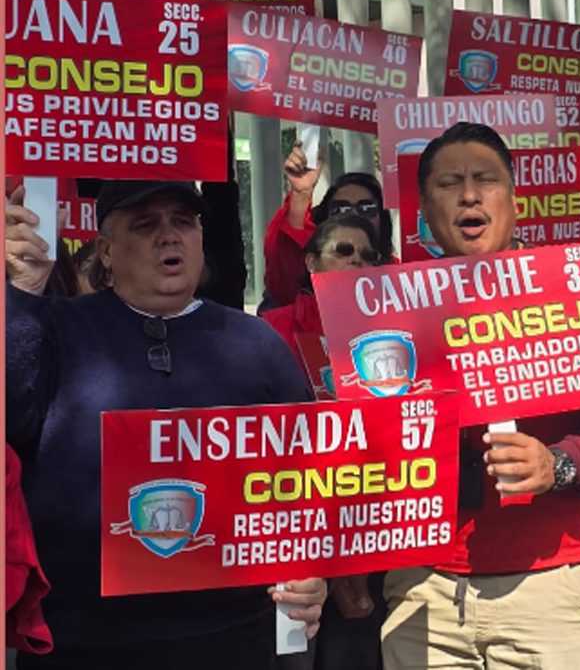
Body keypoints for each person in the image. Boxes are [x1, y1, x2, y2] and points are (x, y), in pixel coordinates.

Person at [5, 180, 327, 670]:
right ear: (106, 251)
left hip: (233, 638)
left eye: (183, 221)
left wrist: (310, 574)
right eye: (145, 224)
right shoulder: (51, 327)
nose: (169, 235)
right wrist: (21, 296)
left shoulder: (256, 343)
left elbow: (308, 482)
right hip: (80, 643)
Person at [362, 122, 580, 669]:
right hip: (425, 588)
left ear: (514, 199)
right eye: (449, 183)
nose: (469, 195)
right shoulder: (386, 313)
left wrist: (558, 463)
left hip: (552, 584)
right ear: (423, 206)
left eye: (484, 180)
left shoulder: (572, 289)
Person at [264, 142, 393, 309]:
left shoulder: (401, 281)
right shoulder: (298, 304)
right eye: (341, 208)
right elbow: (285, 273)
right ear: (312, 262)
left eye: (366, 208)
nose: (353, 215)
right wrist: (301, 194)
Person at [261, 213, 379, 355]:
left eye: (367, 255)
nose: (356, 259)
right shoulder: (272, 327)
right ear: (312, 262)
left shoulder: (391, 326)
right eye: (342, 250)